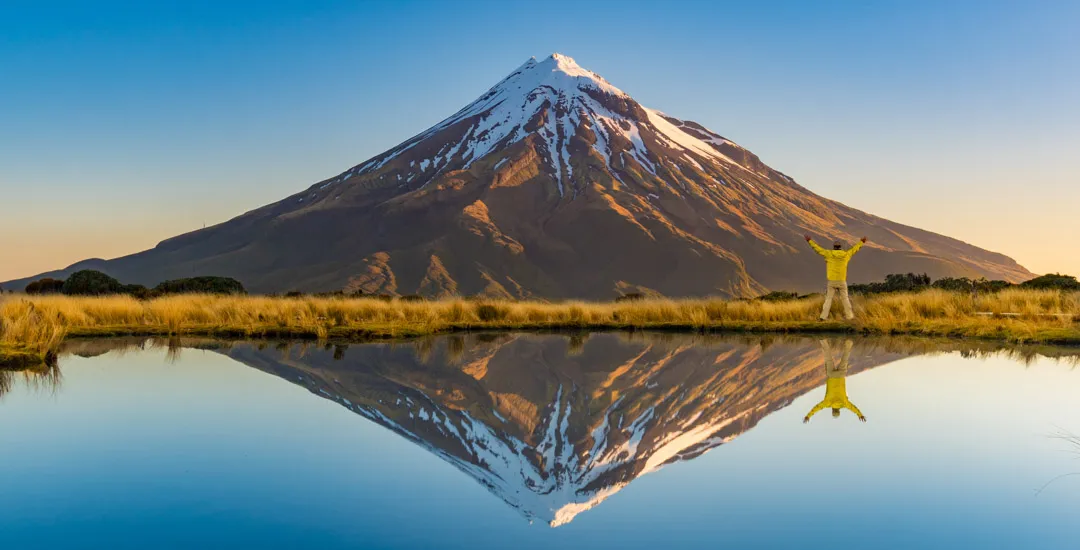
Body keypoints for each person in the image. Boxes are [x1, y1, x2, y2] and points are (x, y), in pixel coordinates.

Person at [804, 234, 868, 321]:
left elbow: (817, 249)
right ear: (840, 247)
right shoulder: (846, 254)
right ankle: (850, 317)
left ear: (834, 247)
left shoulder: (828, 254)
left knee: (828, 299)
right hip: (842, 281)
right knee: (845, 299)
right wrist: (862, 242)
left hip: (831, 281)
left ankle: (823, 317)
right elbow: (854, 249)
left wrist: (809, 241)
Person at [804, 339, 865, 423]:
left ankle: (849, 342)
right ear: (833, 410)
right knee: (827, 356)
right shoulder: (827, 403)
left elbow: (853, 408)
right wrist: (808, 416)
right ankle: (823, 340)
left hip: (840, 376)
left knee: (845, 358)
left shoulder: (844, 404)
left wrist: (860, 414)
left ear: (839, 410)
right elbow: (817, 407)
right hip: (831, 376)